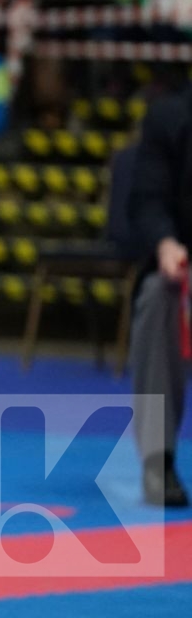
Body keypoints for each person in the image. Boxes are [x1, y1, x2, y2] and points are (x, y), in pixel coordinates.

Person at [127, 83, 192, 507]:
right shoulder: (169, 118)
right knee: (159, 295)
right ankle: (158, 459)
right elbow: (146, 200)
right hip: (183, 267)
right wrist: (167, 245)